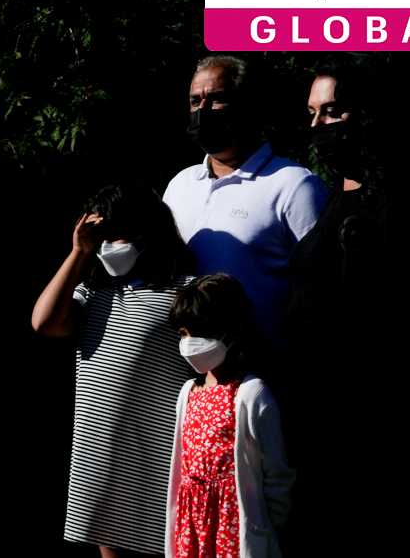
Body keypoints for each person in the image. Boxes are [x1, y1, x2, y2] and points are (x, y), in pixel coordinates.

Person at [32, 182, 195, 557]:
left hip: (159, 456)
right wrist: (78, 252)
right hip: (100, 453)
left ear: (147, 231)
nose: (111, 244)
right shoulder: (92, 292)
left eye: (119, 232)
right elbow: (44, 322)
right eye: (104, 234)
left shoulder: (186, 291)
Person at [162, 56, 328, 356]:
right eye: (195, 101)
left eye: (216, 100)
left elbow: (322, 287)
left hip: (266, 374)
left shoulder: (294, 185)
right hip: (189, 379)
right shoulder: (179, 186)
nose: (203, 110)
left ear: (248, 106)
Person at [165, 274, 293, 558]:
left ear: (230, 331)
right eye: (183, 334)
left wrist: (266, 529)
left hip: (235, 529)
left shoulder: (251, 393)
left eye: (197, 333)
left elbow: (277, 475)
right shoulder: (188, 392)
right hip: (191, 529)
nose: (189, 343)